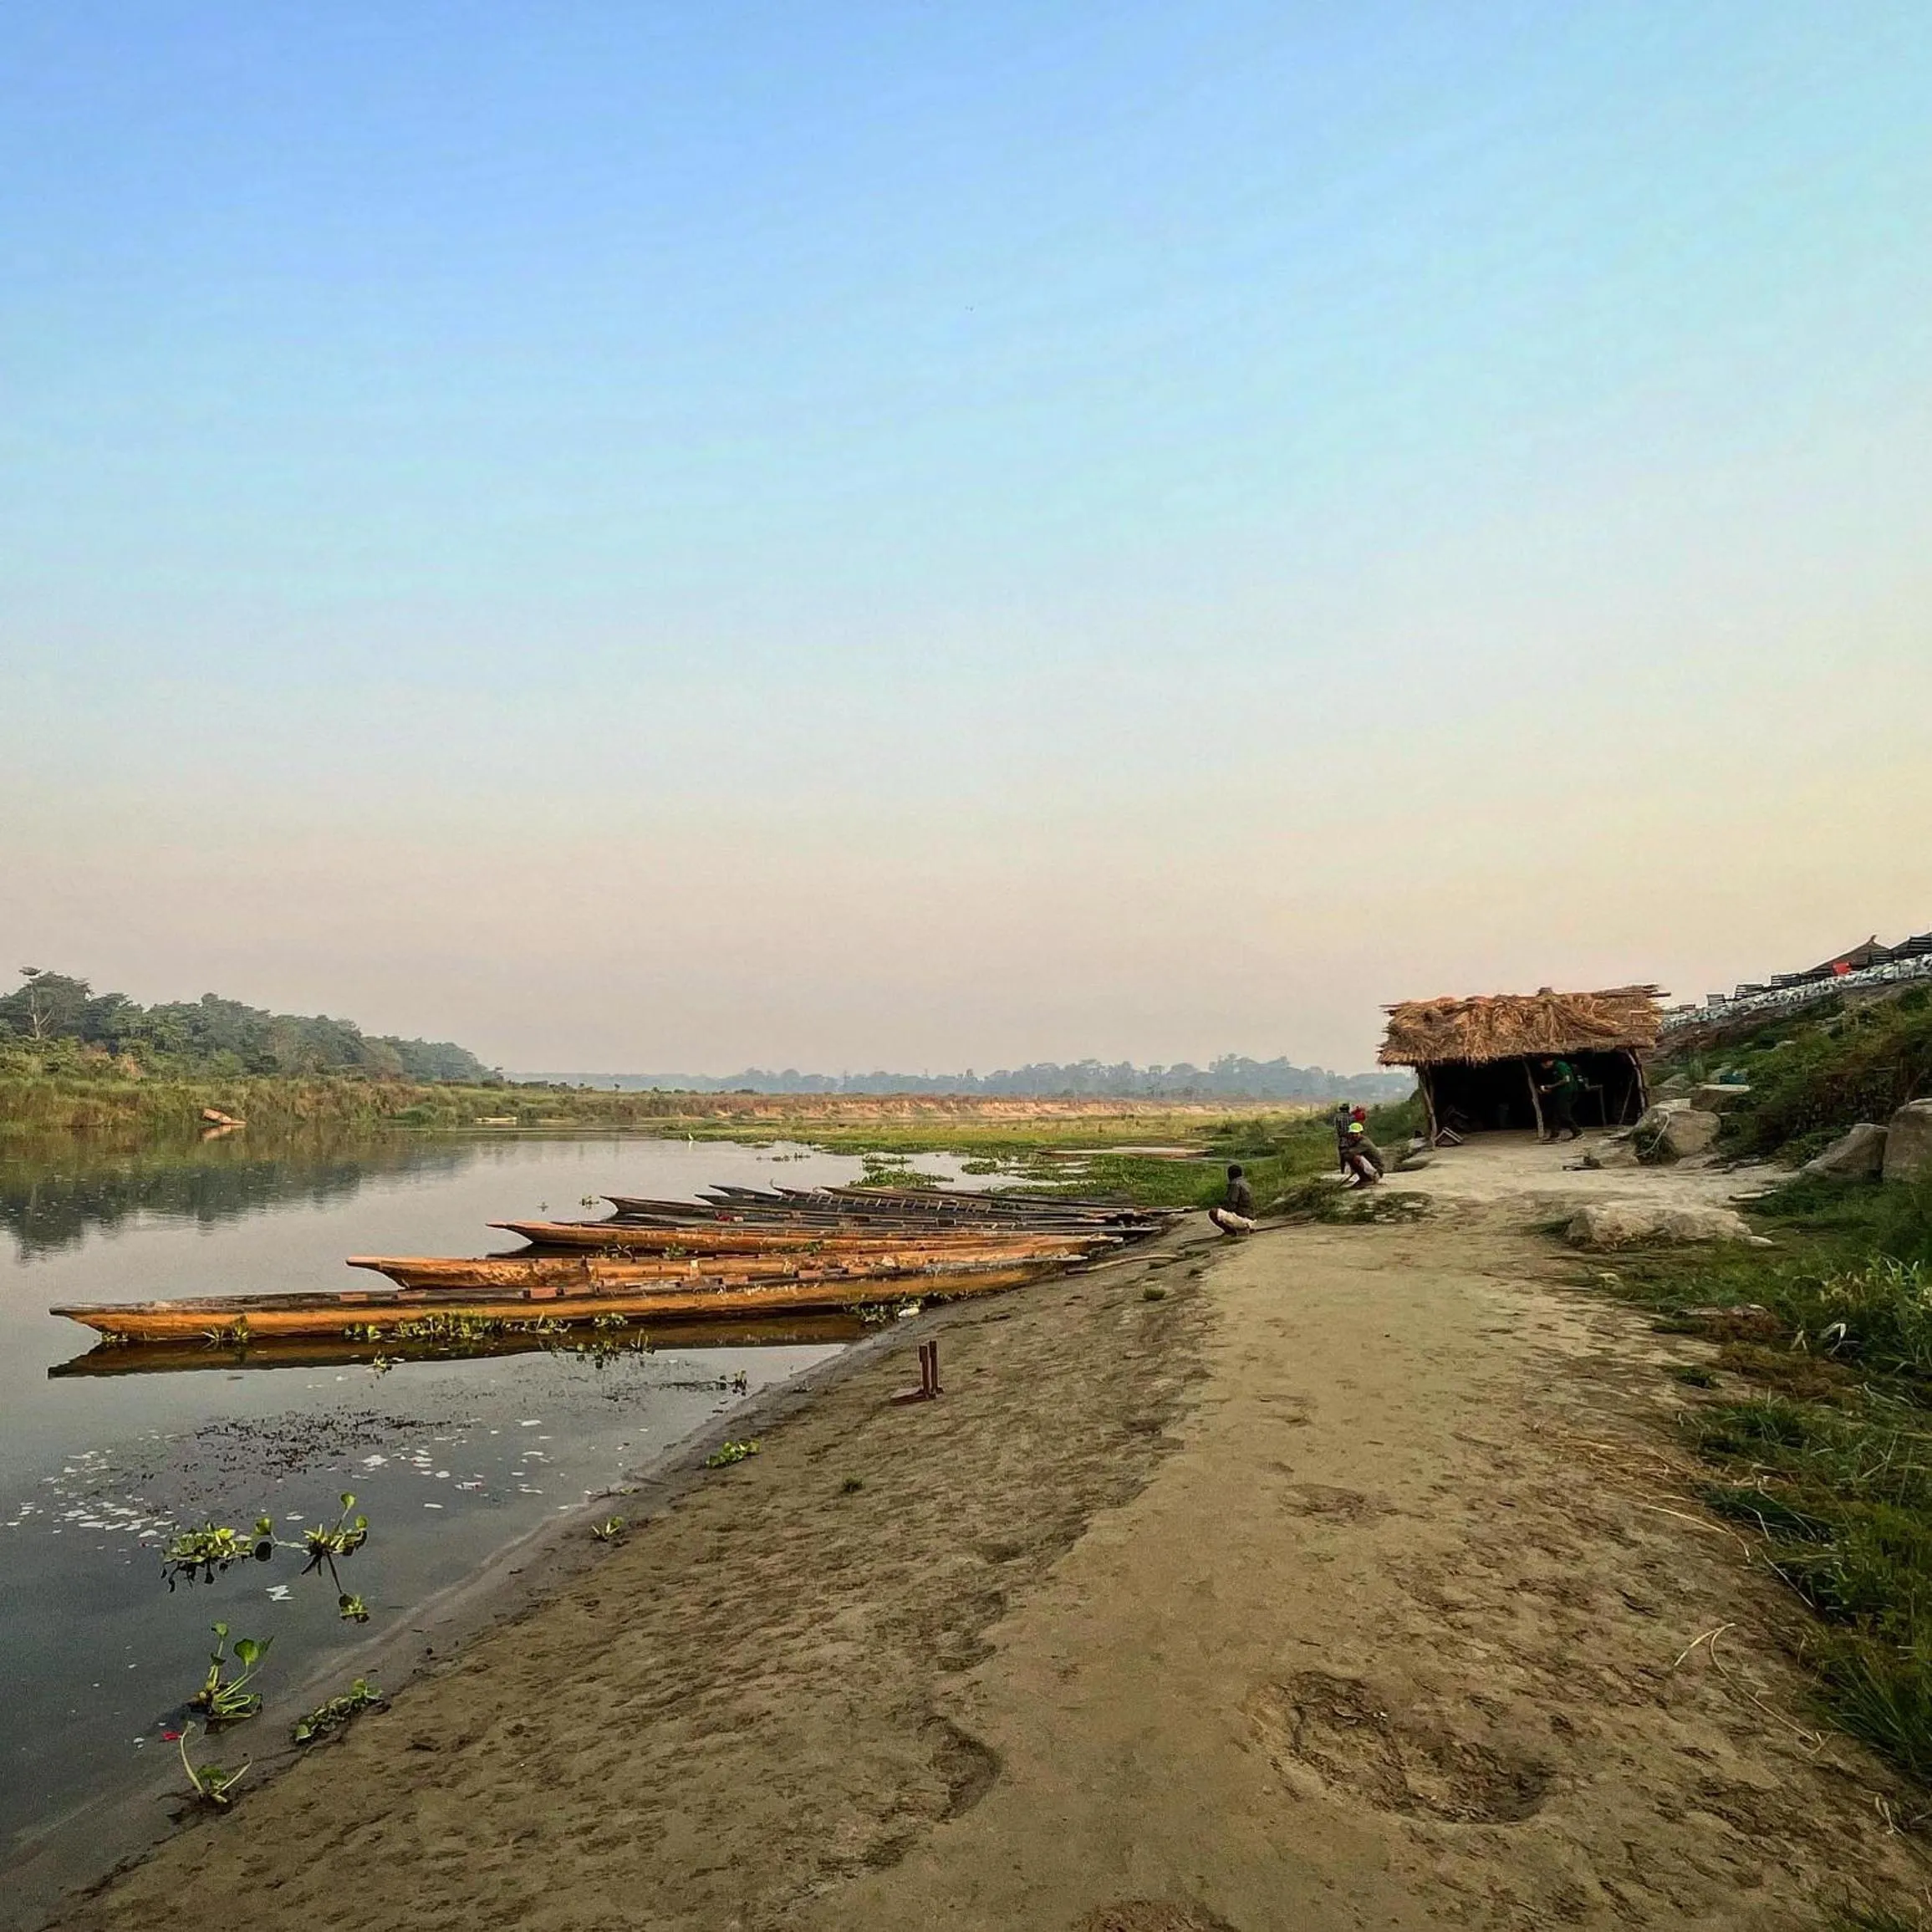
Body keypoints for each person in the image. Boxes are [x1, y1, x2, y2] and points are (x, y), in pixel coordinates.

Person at [1538, 1057, 1583, 1141]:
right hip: (1561, 1092)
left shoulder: (1561, 1066)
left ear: (1548, 1062)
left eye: (1543, 1065)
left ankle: (1578, 1132)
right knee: (1556, 1113)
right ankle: (1555, 1135)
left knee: (1563, 1113)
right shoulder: (1555, 1068)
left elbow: (1566, 1079)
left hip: (1567, 1092)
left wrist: (1551, 1086)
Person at [1209, 1163, 1256, 1236]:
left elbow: (1231, 1205)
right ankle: (1243, 1228)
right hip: (1251, 1218)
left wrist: (1220, 1207)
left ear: (1229, 1175)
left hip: (1242, 1219)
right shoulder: (1246, 1184)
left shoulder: (1235, 1184)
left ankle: (1231, 1232)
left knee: (1213, 1212)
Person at [1342, 1119, 1384, 1186]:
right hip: (1373, 1170)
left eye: (1356, 1133)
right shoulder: (1358, 1141)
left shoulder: (1363, 1143)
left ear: (1361, 1133)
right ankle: (1364, 1178)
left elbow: (1349, 1153)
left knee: (1353, 1157)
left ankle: (1367, 1179)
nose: (1354, 1135)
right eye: (1352, 1134)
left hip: (1376, 1172)